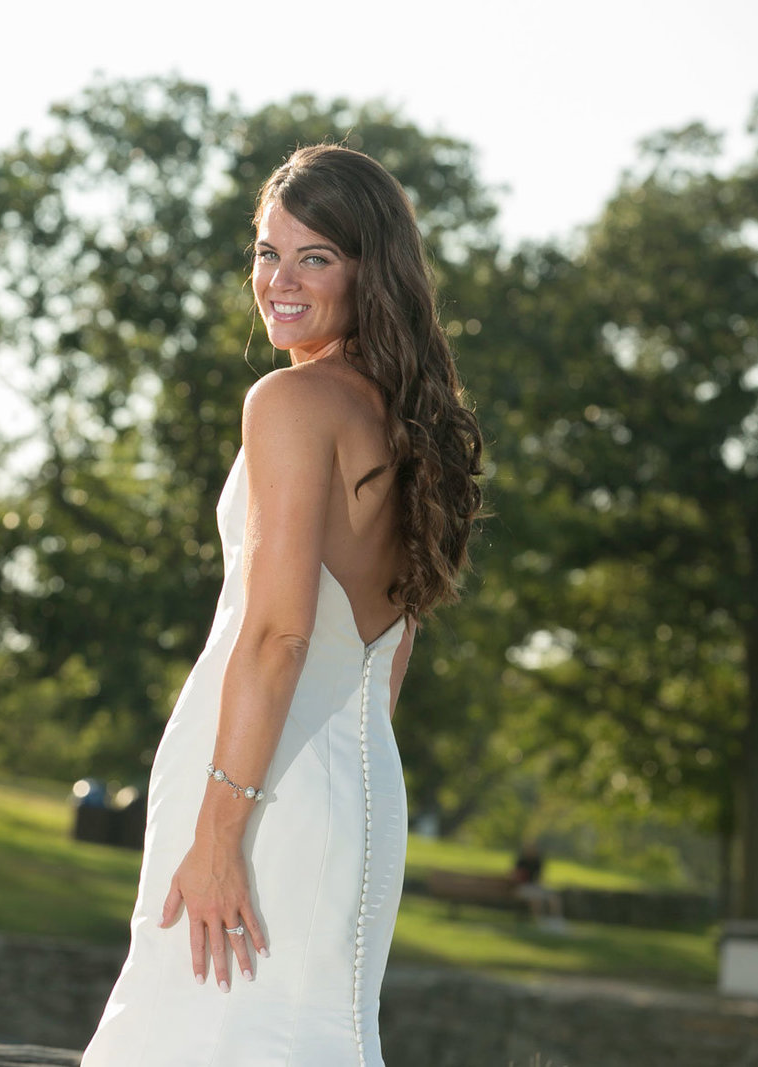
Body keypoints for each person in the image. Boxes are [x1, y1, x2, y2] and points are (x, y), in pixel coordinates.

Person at [79, 143, 485, 1066]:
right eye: (268, 252)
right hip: (352, 785)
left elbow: (275, 636)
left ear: (367, 268)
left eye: (316, 256)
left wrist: (220, 833)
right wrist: (340, 779)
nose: (280, 280)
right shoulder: (406, 419)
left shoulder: (291, 401)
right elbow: (395, 641)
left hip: (258, 792)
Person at [509, 840, 566, 929]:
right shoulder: (521, 862)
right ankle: (541, 923)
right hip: (523, 888)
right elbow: (515, 877)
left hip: (535, 887)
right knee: (535, 900)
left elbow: (539, 879)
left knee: (553, 897)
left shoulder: (538, 861)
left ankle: (556, 921)